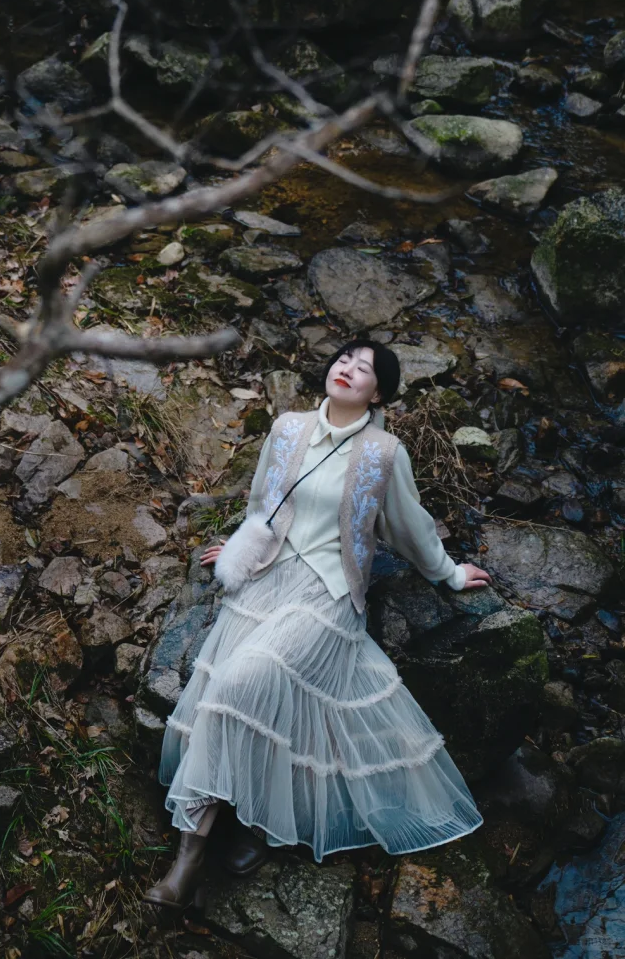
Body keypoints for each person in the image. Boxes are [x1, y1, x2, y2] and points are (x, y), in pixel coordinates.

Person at [143, 341, 491, 919]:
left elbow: (409, 526)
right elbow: (264, 500)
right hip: (267, 581)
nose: (347, 369)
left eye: (364, 369)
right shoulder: (287, 427)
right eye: (344, 359)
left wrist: (450, 573)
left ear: (378, 394)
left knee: (246, 680)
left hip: (327, 595)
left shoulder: (385, 452)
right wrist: (241, 546)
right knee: (233, 687)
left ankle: (248, 821)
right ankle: (190, 860)